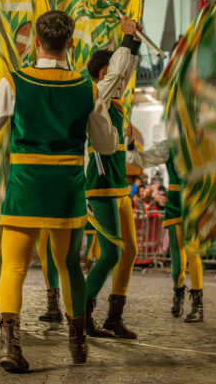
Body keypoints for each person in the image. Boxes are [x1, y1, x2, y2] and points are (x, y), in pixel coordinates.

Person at [0, 10, 118, 372]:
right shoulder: (88, 88)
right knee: (70, 266)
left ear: (36, 42)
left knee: (15, 265)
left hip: (25, 187)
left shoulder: (14, 81)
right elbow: (107, 145)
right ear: (71, 44)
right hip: (67, 191)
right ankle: (77, 343)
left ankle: (10, 345)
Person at [82, 21, 141, 340]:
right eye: (114, 70)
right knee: (110, 254)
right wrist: (127, 37)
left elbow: (124, 70)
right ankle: (82, 315)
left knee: (129, 250)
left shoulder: (114, 97)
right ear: (103, 73)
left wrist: (133, 46)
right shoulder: (97, 93)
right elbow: (119, 71)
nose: (123, 78)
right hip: (101, 186)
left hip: (119, 187)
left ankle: (113, 319)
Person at [134, 140, 204, 323]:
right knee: (177, 256)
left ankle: (198, 306)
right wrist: (131, 148)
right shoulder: (170, 145)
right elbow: (145, 159)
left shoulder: (205, 144)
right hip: (174, 203)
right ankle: (178, 292)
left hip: (194, 203)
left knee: (192, 252)